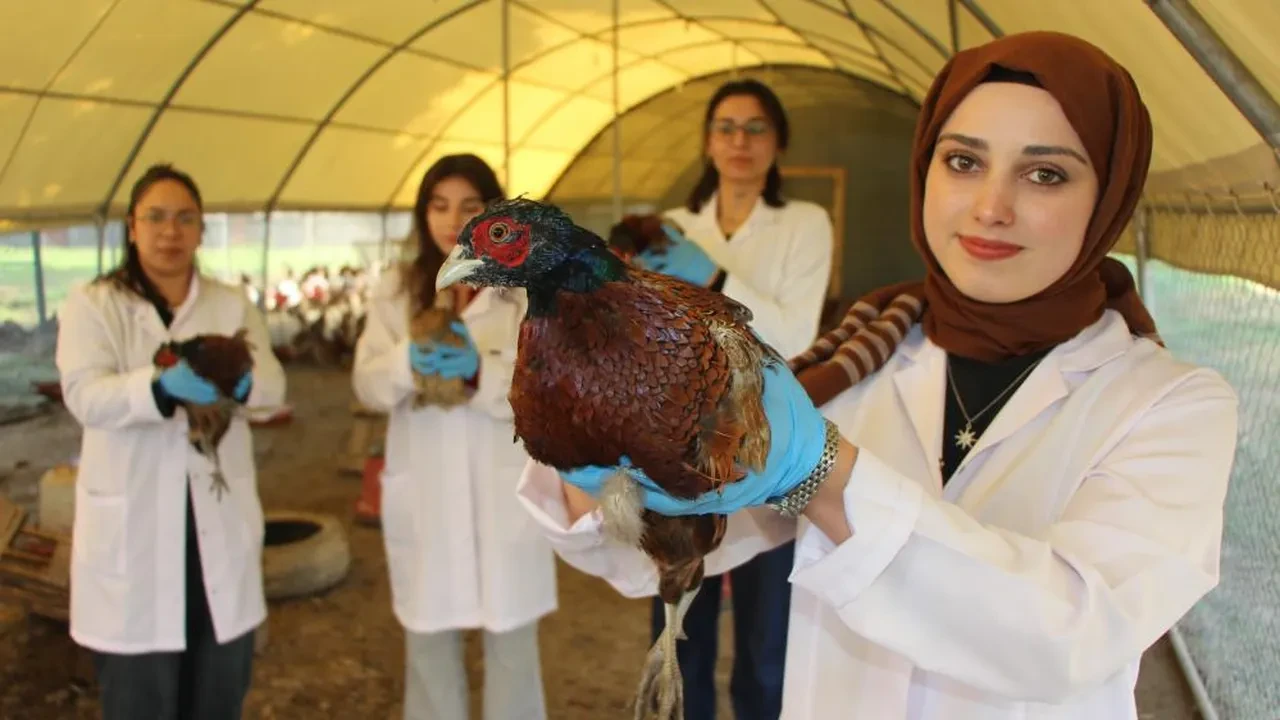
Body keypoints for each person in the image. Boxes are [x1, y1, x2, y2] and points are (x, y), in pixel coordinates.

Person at [517, 31, 1237, 719]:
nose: (991, 206)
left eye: (1044, 173)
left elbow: (1072, 635)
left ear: (1109, 195)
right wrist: (586, 446)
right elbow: (666, 556)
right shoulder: (861, 358)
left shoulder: (1171, 405)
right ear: (924, 170)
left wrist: (826, 474)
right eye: (963, 161)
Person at [627, 77, 833, 720]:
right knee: (680, 638)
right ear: (707, 143)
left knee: (766, 648)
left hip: (769, 451)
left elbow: (798, 334)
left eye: (755, 129)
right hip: (679, 456)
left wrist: (710, 277)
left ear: (778, 145)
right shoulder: (671, 229)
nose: (739, 141)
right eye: (726, 128)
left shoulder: (804, 223)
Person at [56, 163, 286, 719]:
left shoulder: (230, 305)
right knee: (141, 700)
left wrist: (247, 381)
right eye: (155, 217)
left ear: (201, 230)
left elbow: (275, 389)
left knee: (217, 695)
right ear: (131, 228)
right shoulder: (94, 304)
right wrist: (159, 389)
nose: (169, 232)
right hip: (133, 538)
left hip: (216, 529)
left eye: (185, 218)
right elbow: (84, 393)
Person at [352, 154, 555, 720]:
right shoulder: (398, 289)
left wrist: (478, 376)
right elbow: (366, 385)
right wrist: (403, 362)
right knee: (429, 648)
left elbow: (550, 394)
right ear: (422, 215)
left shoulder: (527, 292)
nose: (452, 220)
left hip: (502, 494)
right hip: (426, 493)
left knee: (512, 649)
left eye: (471, 207)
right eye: (439, 206)